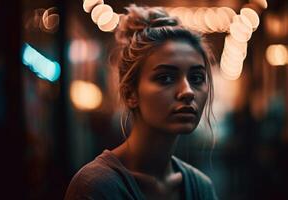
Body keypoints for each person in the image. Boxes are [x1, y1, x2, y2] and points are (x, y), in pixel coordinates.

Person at [65, 4, 218, 200]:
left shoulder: (202, 188)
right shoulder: (96, 187)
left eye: (197, 78)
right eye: (166, 78)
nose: (187, 91)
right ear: (130, 94)